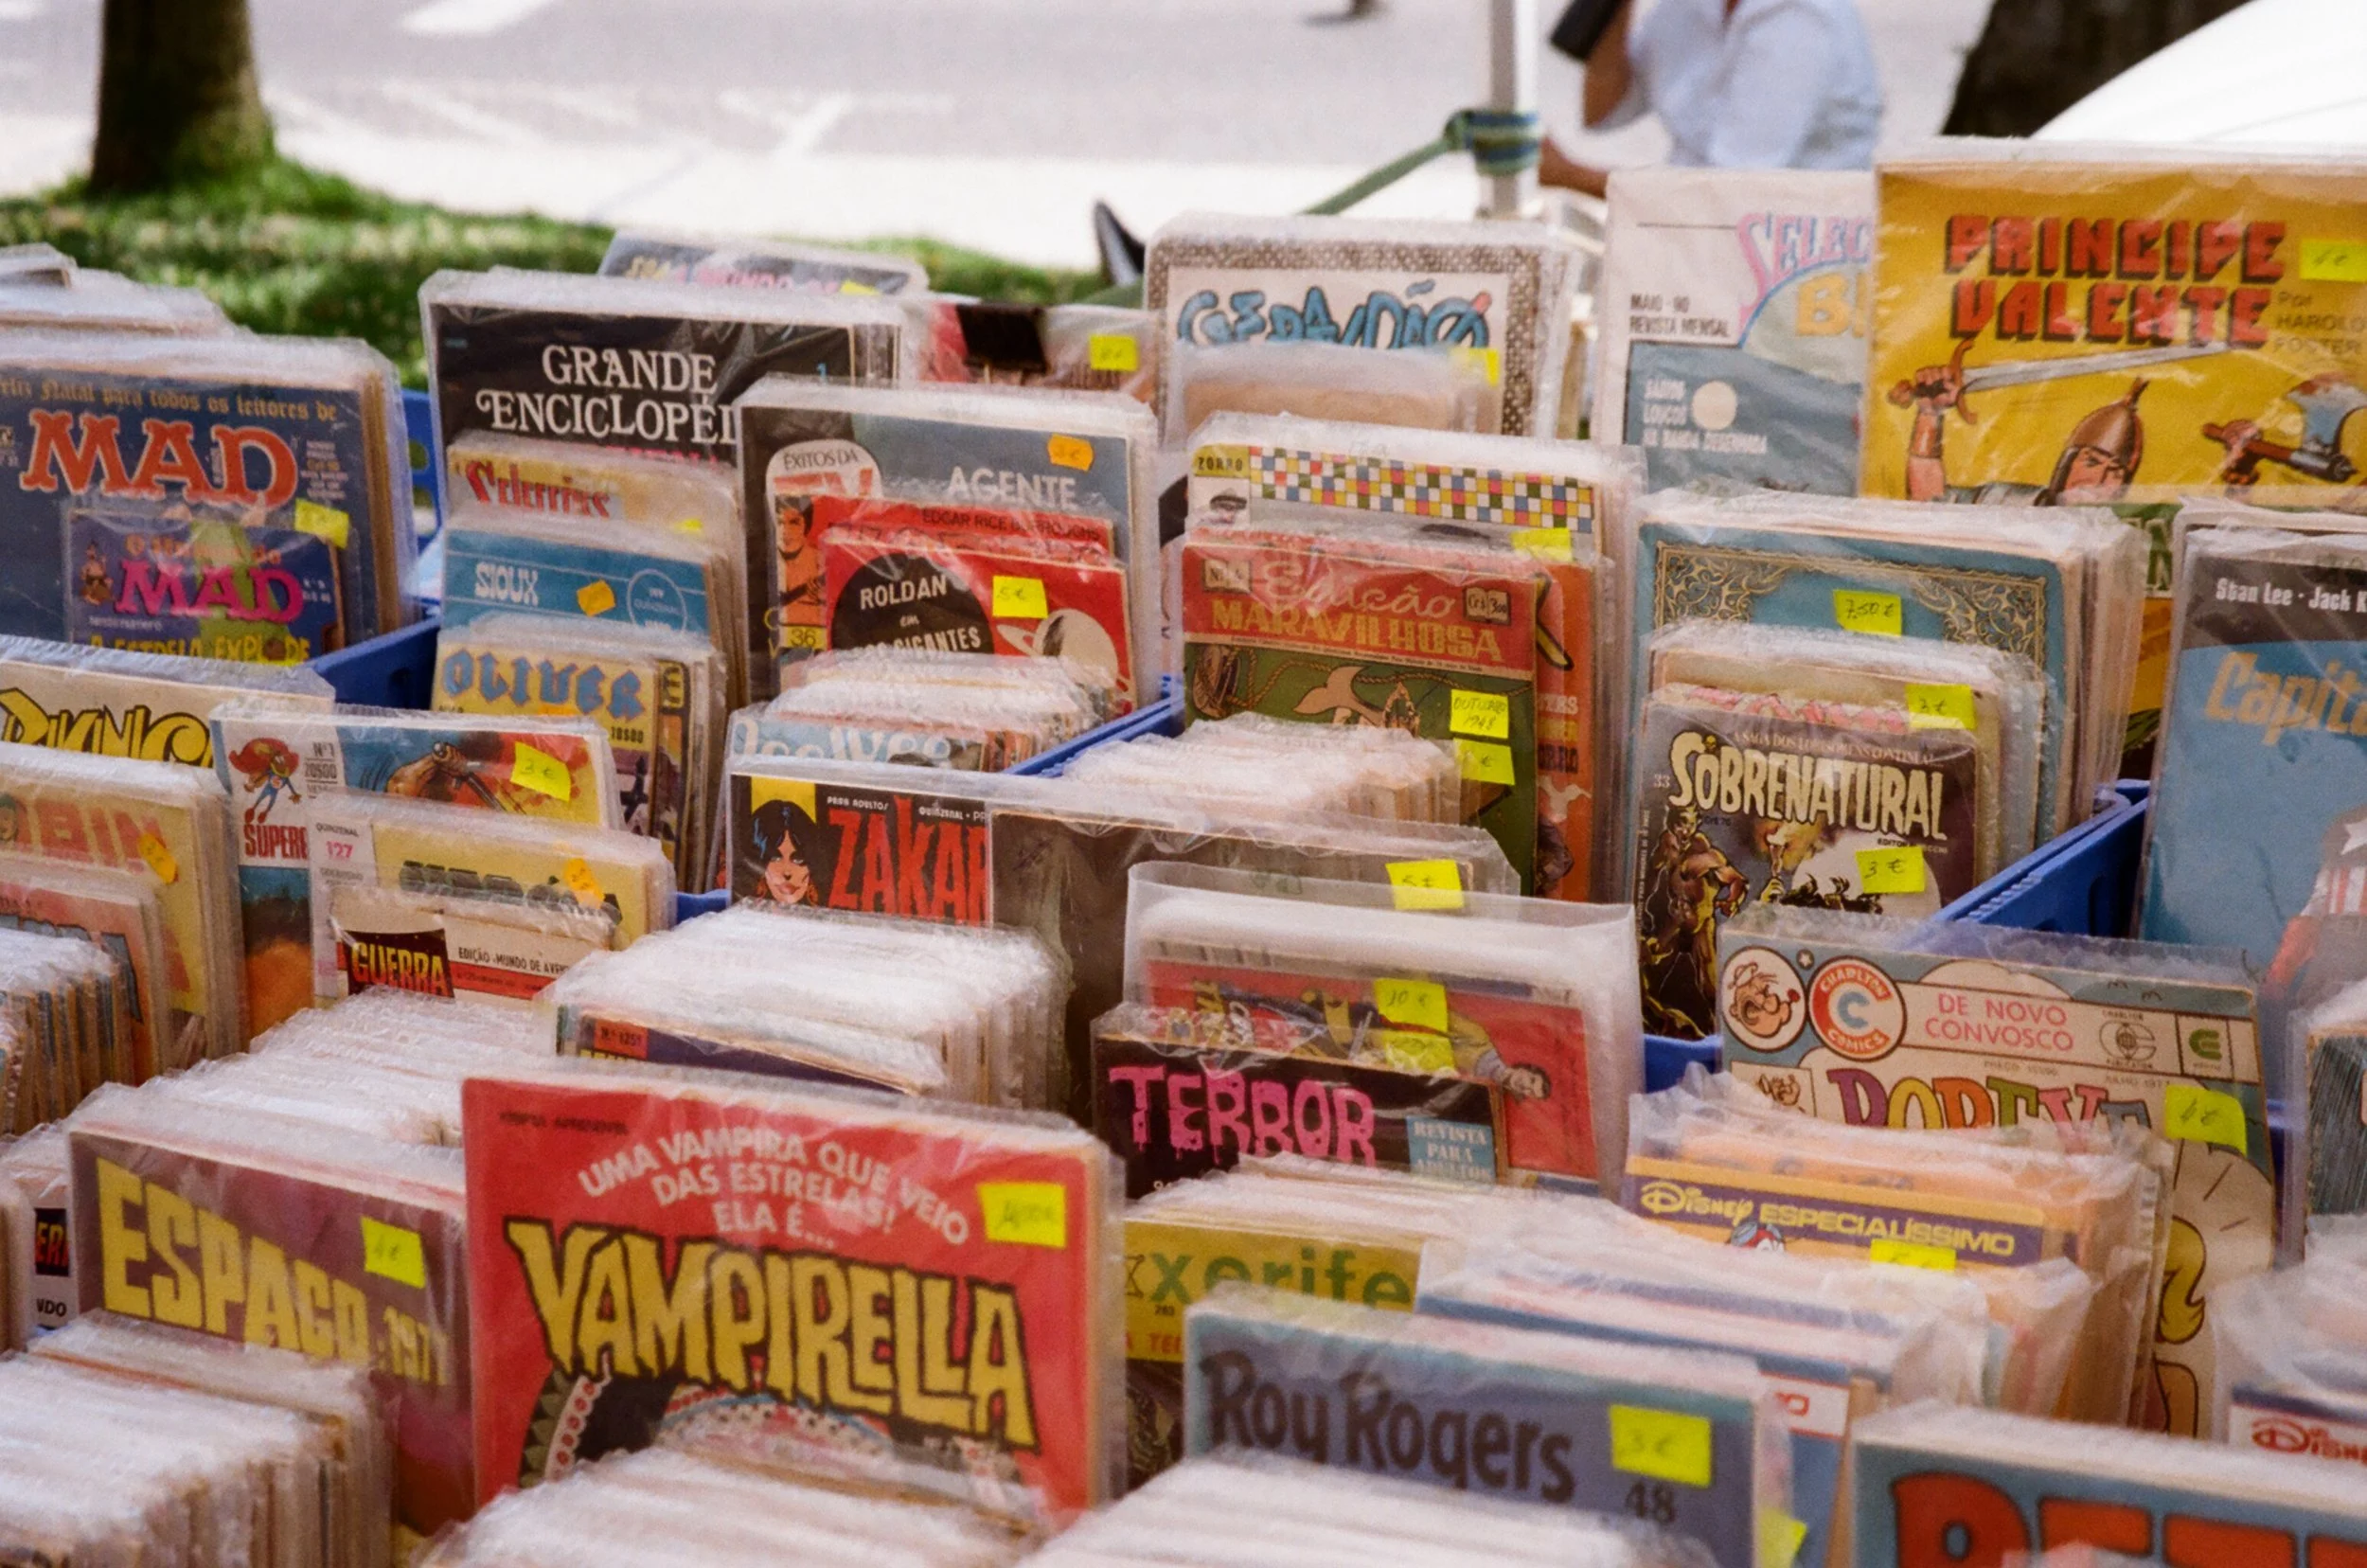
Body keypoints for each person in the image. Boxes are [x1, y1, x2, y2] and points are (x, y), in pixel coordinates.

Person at [1539, 0, 1883, 197]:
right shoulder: (1692, 7)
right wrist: (1614, 9)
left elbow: (1726, 192)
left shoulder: (1801, 21)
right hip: (1696, 244)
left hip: (1791, 264)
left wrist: (1570, 175)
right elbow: (1603, 109)